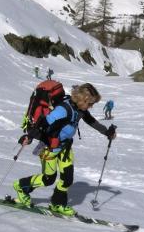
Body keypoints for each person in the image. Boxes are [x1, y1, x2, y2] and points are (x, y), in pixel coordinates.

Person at [13, 83, 117, 216]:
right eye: (90, 104)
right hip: (50, 147)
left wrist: (107, 132)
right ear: (82, 100)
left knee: (67, 179)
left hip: (65, 146)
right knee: (48, 179)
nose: (91, 107)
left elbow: (91, 121)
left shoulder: (80, 109)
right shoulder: (63, 109)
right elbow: (44, 122)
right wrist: (29, 136)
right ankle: (21, 187)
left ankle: (57, 204)